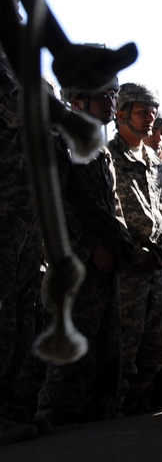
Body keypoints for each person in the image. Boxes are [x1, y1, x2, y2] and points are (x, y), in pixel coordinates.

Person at [37, 78, 133, 426]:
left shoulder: (99, 148)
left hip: (105, 268)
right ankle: (53, 427)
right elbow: (54, 204)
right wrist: (91, 248)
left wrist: (123, 248)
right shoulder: (60, 142)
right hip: (77, 267)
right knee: (72, 361)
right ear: (77, 102)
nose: (110, 103)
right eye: (101, 97)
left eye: (113, 96)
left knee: (108, 358)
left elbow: (109, 208)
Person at [107, 83, 162, 415]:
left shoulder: (154, 161)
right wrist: (130, 249)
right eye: (143, 111)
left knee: (154, 353)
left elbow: (161, 210)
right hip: (128, 270)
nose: (150, 118)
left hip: (156, 270)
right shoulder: (107, 157)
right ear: (122, 114)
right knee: (124, 354)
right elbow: (106, 212)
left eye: (154, 111)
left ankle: (141, 420)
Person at [0, 49, 45, 444]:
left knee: (21, 313)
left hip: (24, 211)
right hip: (4, 207)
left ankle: (13, 411)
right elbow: (15, 111)